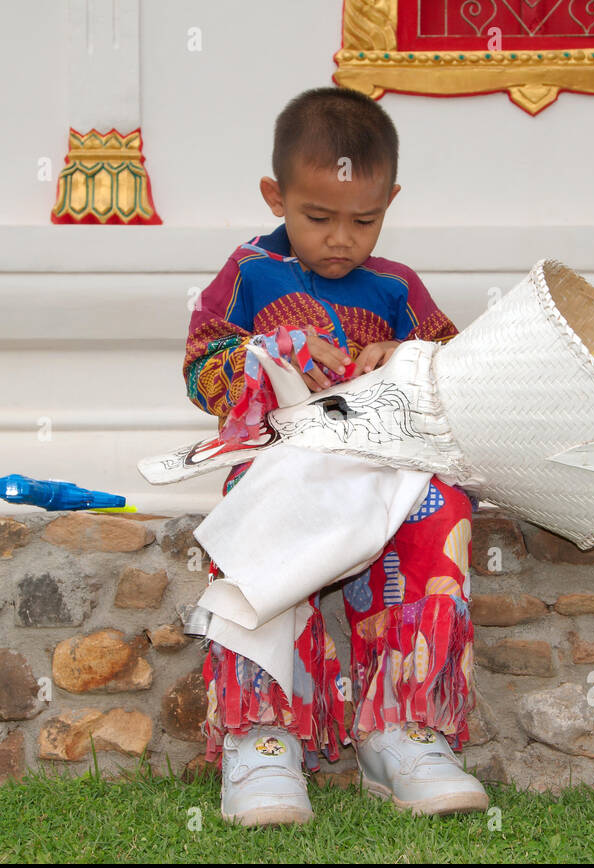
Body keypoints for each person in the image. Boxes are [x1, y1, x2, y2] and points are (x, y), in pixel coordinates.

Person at [182, 87, 488, 826]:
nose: (342, 238)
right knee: (260, 508)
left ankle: (403, 729)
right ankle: (262, 735)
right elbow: (201, 368)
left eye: (365, 218)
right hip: (280, 456)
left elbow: (457, 366)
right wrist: (266, 351)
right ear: (275, 195)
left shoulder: (397, 285)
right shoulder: (250, 272)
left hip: (383, 464)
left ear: (391, 201)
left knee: (440, 506)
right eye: (318, 217)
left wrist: (406, 351)